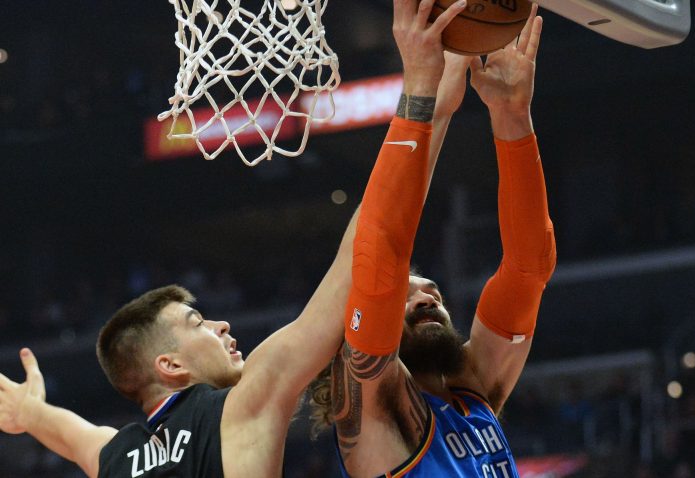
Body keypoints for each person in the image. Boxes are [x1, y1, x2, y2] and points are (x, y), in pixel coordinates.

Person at [0, 1, 470, 476]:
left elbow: (70, 433)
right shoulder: (240, 407)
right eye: (197, 321)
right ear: (170, 365)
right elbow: (367, 250)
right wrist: (424, 100)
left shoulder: (117, 457)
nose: (221, 326)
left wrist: (30, 414)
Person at [309, 4, 556, 476]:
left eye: (427, 286)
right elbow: (380, 261)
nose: (427, 291)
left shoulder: (471, 384)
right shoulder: (373, 401)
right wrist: (419, 89)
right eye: (410, 288)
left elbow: (530, 266)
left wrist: (511, 116)